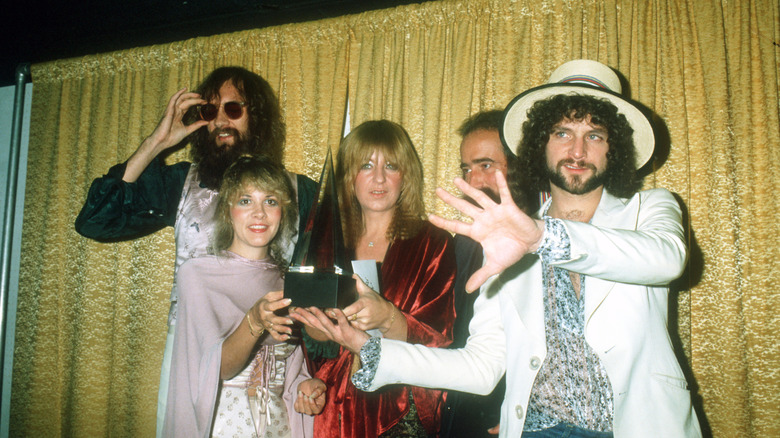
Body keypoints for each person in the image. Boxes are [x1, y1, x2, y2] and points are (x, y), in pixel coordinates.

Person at [302, 60, 702, 438]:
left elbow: (665, 258)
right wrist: (369, 348)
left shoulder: (650, 208)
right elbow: (480, 366)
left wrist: (541, 237)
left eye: (594, 135)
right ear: (539, 144)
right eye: (562, 133)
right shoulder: (506, 241)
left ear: (614, 148)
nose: (577, 152)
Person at [73, 66, 316, 436]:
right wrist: (158, 142)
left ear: (258, 117)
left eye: (233, 109)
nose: (220, 119)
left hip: (271, 367)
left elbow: (321, 296)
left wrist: (312, 379)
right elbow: (95, 219)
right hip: (192, 353)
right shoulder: (181, 183)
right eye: (209, 111)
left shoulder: (300, 194)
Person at [290, 120, 457, 437]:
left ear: (405, 175)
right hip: (335, 410)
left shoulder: (433, 244)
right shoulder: (324, 244)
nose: (379, 178)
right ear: (349, 176)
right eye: (366, 165)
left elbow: (440, 343)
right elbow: (314, 348)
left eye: (391, 166)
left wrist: (387, 317)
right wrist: (316, 339)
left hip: (398, 412)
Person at [164, 156, 321, 437]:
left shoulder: (291, 283)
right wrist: (253, 321)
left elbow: (291, 368)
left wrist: (305, 387)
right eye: (246, 201)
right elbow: (219, 369)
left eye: (270, 201)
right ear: (227, 210)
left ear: (282, 212)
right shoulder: (197, 275)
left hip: (278, 426)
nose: (259, 213)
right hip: (222, 425)